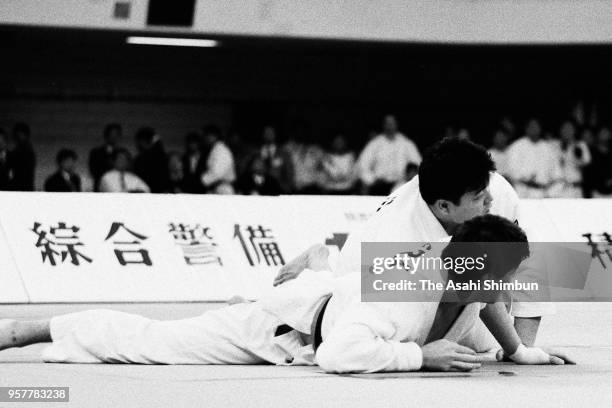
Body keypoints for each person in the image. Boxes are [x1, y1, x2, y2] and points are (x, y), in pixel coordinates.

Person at [0, 215, 573, 371]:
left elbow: (483, 318)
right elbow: (338, 355)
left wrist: (530, 354)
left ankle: (297, 274)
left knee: (332, 276)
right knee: (158, 342)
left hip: (331, 296)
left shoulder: (466, 285)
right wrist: (419, 356)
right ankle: (34, 328)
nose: (509, 288)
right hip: (285, 328)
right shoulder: (403, 294)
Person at [282, 136, 552, 348]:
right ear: (444, 207)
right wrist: (421, 356)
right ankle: (318, 266)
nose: (490, 203)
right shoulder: (400, 237)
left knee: (476, 322)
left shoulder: (493, 190)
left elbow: (527, 265)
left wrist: (521, 348)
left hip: (432, 278)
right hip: (355, 286)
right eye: (481, 198)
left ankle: (319, 264)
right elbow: (356, 341)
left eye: (487, 192)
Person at [357, 114, 422, 195]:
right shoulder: (374, 144)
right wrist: (372, 180)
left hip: (401, 186)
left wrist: (411, 176)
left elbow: (418, 164)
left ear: (397, 124)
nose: (389, 126)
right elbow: (362, 165)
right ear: (383, 125)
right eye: (387, 123)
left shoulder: (406, 143)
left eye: (392, 123)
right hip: (379, 186)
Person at [506, 118, 562, 198]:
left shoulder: (548, 148)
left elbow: (557, 174)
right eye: (531, 126)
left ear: (540, 128)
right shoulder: (516, 146)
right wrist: (527, 177)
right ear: (526, 128)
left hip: (544, 193)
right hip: (523, 192)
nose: (534, 129)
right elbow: (511, 172)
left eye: (536, 126)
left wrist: (551, 193)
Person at [550, 121, 591, 198]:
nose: (567, 131)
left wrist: (575, 150)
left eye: (569, 128)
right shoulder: (553, 144)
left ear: (574, 131)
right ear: (560, 130)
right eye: (564, 128)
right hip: (557, 189)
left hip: (575, 188)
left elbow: (586, 161)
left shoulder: (580, 145)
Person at [200, 125, 236, 195]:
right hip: (216, 188)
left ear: (213, 136)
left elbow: (217, 173)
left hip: (223, 189)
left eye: (205, 136)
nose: (204, 139)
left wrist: (202, 181)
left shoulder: (222, 151)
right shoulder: (215, 150)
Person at [133, 127, 168, 193]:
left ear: (141, 141)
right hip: (160, 192)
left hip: (145, 192)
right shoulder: (161, 155)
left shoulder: (141, 159)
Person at [89, 123, 122, 192]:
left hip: (118, 189)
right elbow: (93, 171)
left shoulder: (123, 153)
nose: (114, 137)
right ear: (106, 135)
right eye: (112, 134)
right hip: (100, 188)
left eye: (116, 134)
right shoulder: (96, 152)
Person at [584, 126, 612, 198]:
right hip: (596, 193)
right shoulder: (590, 152)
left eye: (607, 132)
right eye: (602, 132)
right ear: (597, 135)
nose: (605, 134)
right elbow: (588, 175)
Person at [10, 122, 36, 191]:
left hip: (23, 186)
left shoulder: (26, 151)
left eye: (21, 134)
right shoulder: (24, 149)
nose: (19, 137)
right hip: (23, 186)